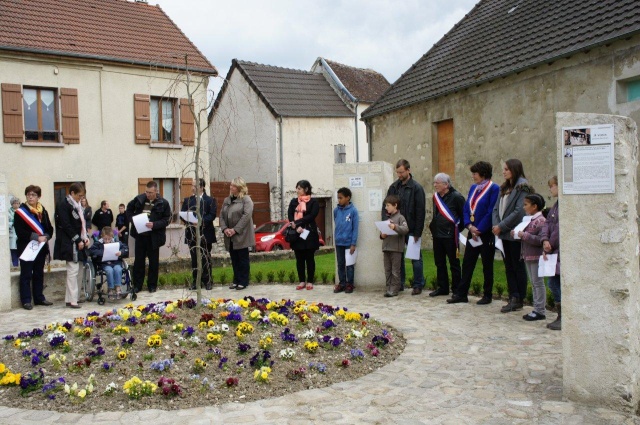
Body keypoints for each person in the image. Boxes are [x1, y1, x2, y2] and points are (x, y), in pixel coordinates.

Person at [447, 161, 500, 304]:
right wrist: (469, 226)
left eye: (475, 174)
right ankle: (462, 293)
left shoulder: (494, 188)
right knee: (468, 262)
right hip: (472, 231)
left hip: (485, 233)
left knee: (487, 264)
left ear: (483, 174)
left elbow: (491, 211)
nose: (473, 176)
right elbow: (466, 208)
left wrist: (480, 229)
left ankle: (487, 295)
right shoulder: (473, 188)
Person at [492, 159, 534, 313]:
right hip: (502, 233)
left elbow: (519, 211)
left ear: (514, 169)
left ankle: (519, 297)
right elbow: (496, 208)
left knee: (517, 265)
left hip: (513, 232)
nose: (503, 172)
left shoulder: (523, 186)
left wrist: (501, 226)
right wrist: (496, 225)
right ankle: (512, 295)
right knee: (508, 266)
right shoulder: (504, 187)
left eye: (506, 169)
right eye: (503, 169)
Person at [383, 159, 426, 295]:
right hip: (395, 228)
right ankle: (399, 284)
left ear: (408, 170)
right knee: (397, 258)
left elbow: (420, 211)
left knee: (415, 258)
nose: (399, 175)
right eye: (397, 172)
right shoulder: (393, 187)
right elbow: (386, 206)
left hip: (412, 229)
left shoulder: (417, 188)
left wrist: (418, 232)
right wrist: (386, 225)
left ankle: (418, 284)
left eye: (401, 172)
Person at [126, 180, 171, 293]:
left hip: (154, 237)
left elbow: (167, 220)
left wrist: (154, 225)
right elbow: (129, 210)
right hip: (140, 236)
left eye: (150, 192)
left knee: (153, 262)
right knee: (139, 261)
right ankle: (137, 285)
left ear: (156, 191)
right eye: (146, 192)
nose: (148, 194)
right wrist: (133, 220)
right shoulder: (139, 199)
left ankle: (152, 285)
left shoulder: (163, 203)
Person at [13, 186, 54, 310]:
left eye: (33, 195)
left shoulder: (43, 211)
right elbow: (20, 231)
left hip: (40, 248)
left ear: (38, 197)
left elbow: (49, 228)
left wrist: (46, 236)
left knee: (38, 273)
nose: (30, 197)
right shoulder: (21, 212)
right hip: (27, 248)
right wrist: (37, 237)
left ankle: (39, 298)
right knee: (26, 274)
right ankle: (26, 300)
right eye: (28, 195)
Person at [54, 182, 90, 309]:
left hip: (79, 240)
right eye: (79, 196)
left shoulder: (78, 205)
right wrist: (77, 240)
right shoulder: (63, 204)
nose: (81, 198)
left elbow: (82, 224)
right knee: (72, 271)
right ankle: (72, 300)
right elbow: (66, 225)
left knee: (79, 270)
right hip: (69, 242)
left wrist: (85, 238)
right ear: (72, 193)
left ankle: (72, 298)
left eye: (82, 196)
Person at [428, 173, 465, 297]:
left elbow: (463, 217)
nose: (435, 185)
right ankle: (442, 287)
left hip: (450, 236)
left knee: (454, 263)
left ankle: (456, 289)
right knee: (439, 263)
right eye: (434, 183)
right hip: (438, 235)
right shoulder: (436, 197)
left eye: (437, 183)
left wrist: (456, 230)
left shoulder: (457, 197)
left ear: (446, 184)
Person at [514, 194, 546, 321]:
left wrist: (524, 235)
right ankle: (536, 308)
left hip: (536, 256)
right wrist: (517, 234)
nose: (524, 207)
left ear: (535, 206)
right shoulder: (528, 220)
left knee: (538, 283)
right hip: (528, 255)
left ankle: (540, 310)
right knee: (534, 283)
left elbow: (540, 239)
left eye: (526, 204)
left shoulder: (541, 221)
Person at [181, 178, 217, 291]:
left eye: (194, 185)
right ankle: (196, 281)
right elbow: (183, 215)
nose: (192, 187)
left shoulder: (210, 200)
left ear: (201, 187)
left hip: (206, 233)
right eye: (192, 185)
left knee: (206, 257)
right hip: (192, 234)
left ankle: (208, 281)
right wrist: (190, 221)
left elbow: (212, 215)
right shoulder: (188, 200)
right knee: (194, 259)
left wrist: (200, 221)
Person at [220, 177, 255, 290]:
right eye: (231, 185)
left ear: (240, 188)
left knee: (242, 258)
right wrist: (225, 228)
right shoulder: (227, 200)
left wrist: (235, 229)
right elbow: (221, 215)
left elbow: (246, 216)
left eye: (233, 186)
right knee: (234, 258)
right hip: (229, 235)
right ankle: (236, 279)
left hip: (242, 235)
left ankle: (243, 281)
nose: (231, 187)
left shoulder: (246, 200)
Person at [288, 180, 321, 291]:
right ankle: (302, 281)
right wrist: (296, 226)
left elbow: (312, 216)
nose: (297, 190)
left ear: (306, 189)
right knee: (299, 258)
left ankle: (310, 281)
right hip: (297, 233)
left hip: (309, 233)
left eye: (299, 188)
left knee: (309, 258)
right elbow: (290, 216)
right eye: (296, 188)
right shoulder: (293, 202)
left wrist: (299, 222)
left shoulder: (313, 202)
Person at [541, 176, 561, 330]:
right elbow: (548, 224)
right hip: (552, 249)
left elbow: (559, 228)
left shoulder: (563, 206)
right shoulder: (555, 206)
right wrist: (545, 239)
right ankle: (560, 315)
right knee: (553, 283)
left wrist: (550, 243)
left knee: (555, 284)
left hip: (558, 251)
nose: (550, 189)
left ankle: (562, 315)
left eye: (552, 186)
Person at [380, 195, 409, 297]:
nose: (386, 207)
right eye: (385, 205)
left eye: (388, 205)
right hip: (386, 247)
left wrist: (395, 227)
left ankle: (394, 289)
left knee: (395, 271)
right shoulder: (387, 218)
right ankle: (388, 288)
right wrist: (382, 235)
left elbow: (405, 229)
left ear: (395, 205)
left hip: (396, 248)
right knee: (387, 270)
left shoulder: (401, 217)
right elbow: (382, 233)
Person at [89, 226, 129, 299]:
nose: (107, 241)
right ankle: (110, 289)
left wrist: (121, 252)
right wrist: (102, 252)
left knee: (118, 269)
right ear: (102, 236)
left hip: (116, 262)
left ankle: (118, 287)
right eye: (105, 239)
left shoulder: (116, 242)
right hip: (104, 263)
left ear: (112, 237)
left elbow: (125, 248)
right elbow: (91, 251)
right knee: (109, 270)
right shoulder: (98, 243)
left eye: (109, 239)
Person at [333, 187, 359, 294]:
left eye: (341, 198)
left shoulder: (353, 211)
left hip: (349, 243)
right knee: (340, 264)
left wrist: (353, 243)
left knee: (349, 265)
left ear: (348, 198)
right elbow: (337, 223)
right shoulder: (336, 210)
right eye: (338, 198)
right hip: (339, 242)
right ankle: (342, 283)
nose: (339, 200)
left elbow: (355, 228)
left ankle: (350, 284)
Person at [9, 197, 20, 267]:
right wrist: (12, 222)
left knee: (21, 252)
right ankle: (15, 266)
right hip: (12, 235)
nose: (16, 205)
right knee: (14, 252)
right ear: (12, 204)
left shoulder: (22, 211)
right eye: (14, 203)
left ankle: (21, 266)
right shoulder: (8, 212)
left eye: (17, 203)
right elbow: (5, 223)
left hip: (20, 235)